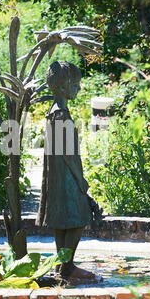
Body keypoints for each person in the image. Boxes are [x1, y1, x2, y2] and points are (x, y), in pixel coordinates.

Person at [36, 60, 100, 281]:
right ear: (62, 87)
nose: (79, 88)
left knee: (63, 220)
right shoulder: (61, 114)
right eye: (75, 84)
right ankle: (68, 267)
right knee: (79, 217)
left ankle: (62, 266)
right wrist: (80, 180)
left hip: (58, 177)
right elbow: (67, 153)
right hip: (67, 176)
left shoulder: (53, 112)